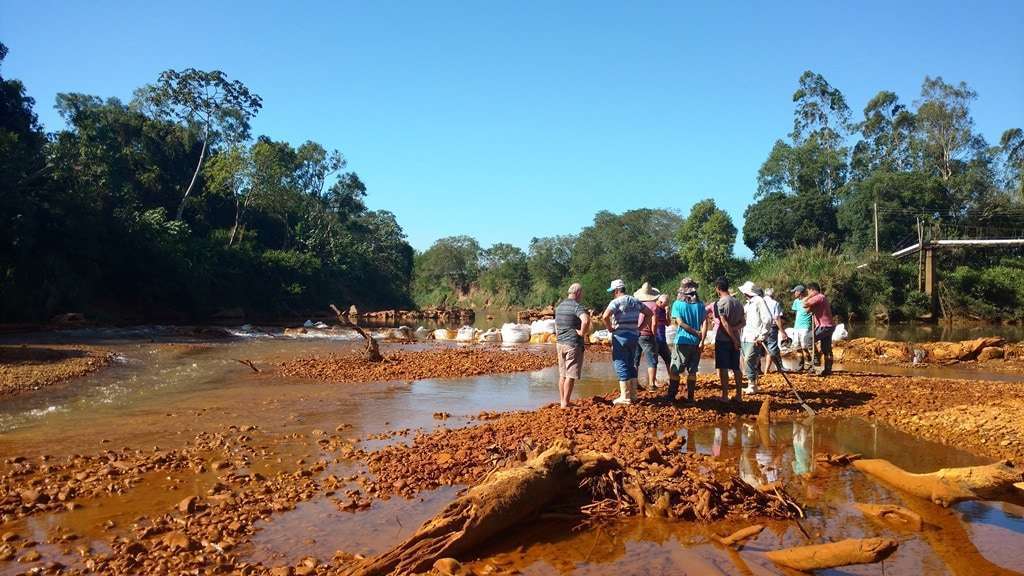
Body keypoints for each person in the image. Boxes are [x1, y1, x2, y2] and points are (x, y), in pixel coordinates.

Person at [601, 279, 648, 405]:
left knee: (620, 364)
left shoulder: (615, 302)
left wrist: (610, 328)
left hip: (620, 337)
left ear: (617, 290)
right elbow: (649, 313)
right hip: (633, 336)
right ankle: (633, 395)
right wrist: (639, 328)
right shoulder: (635, 300)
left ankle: (625, 397)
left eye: (613, 291)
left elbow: (605, 316)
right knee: (630, 363)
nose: (612, 294)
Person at [669, 279, 707, 403]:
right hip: (696, 342)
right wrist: (702, 339)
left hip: (682, 341)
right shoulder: (700, 305)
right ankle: (690, 398)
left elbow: (679, 323)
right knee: (692, 371)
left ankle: (671, 397)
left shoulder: (677, 304)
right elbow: (705, 322)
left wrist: (695, 333)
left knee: (675, 371)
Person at [554, 282, 590, 408]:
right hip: (572, 343)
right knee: (570, 374)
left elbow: (556, 326)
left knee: (562, 374)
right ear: (578, 293)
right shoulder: (577, 306)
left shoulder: (559, 307)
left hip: (560, 343)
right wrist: (582, 333)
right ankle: (566, 403)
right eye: (582, 294)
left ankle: (562, 400)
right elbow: (585, 320)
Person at [633, 282, 671, 391]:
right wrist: (654, 336)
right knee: (652, 361)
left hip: (638, 334)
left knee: (636, 360)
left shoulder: (638, 305)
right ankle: (651, 385)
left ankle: (634, 383)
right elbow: (654, 323)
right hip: (648, 335)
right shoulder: (653, 306)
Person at [712, 276, 744, 402]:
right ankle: (739, 395)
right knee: (736, 367)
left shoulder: (720, 303)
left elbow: (724, 323)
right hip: (736, 337)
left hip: (723, 339)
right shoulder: (738, 302)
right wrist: (735, 332)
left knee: (723, 367)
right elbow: (743, 322)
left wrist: (732, 337)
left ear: (718, 288)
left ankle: (725, 395)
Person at [737, 281, 771, 395]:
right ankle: (752, 384)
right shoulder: (748, 304)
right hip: (746, 336)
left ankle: (752, 385)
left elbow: (767, 319)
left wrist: (762, 335)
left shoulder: (759, 301)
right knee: (749, 361)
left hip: (754, 337)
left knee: (749, 360)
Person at [803, 282, 836, 376]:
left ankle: (816, 362)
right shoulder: (820, 298)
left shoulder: (818, 297)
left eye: (808, 291)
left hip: (824, 326)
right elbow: (807, 310)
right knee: (826, 348)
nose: (808, 294)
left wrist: (809, 297)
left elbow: (804, 305)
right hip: (828, 326)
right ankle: (827, 369)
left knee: (808, 338)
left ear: (812, 290)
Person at [761, 288, 788, 373]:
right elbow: (776, 318)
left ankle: (765, 370)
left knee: (765, 349)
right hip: (771, 327)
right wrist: (782, 331)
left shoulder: (760, 302)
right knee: (772, 348)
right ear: (772, 295)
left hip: (760, 328)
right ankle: (768, 370)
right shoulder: (774, 303)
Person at [789, 285, 813, 372]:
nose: (794, 293)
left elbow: (811, 311)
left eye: (795, 291)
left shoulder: (808, 300)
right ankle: (801, 365)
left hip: (805, 327)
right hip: (797, 327)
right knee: (797, 347)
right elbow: (796, 313)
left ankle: (810, 364)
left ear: (799, 292)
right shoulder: (796, 301)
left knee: (804, 347)